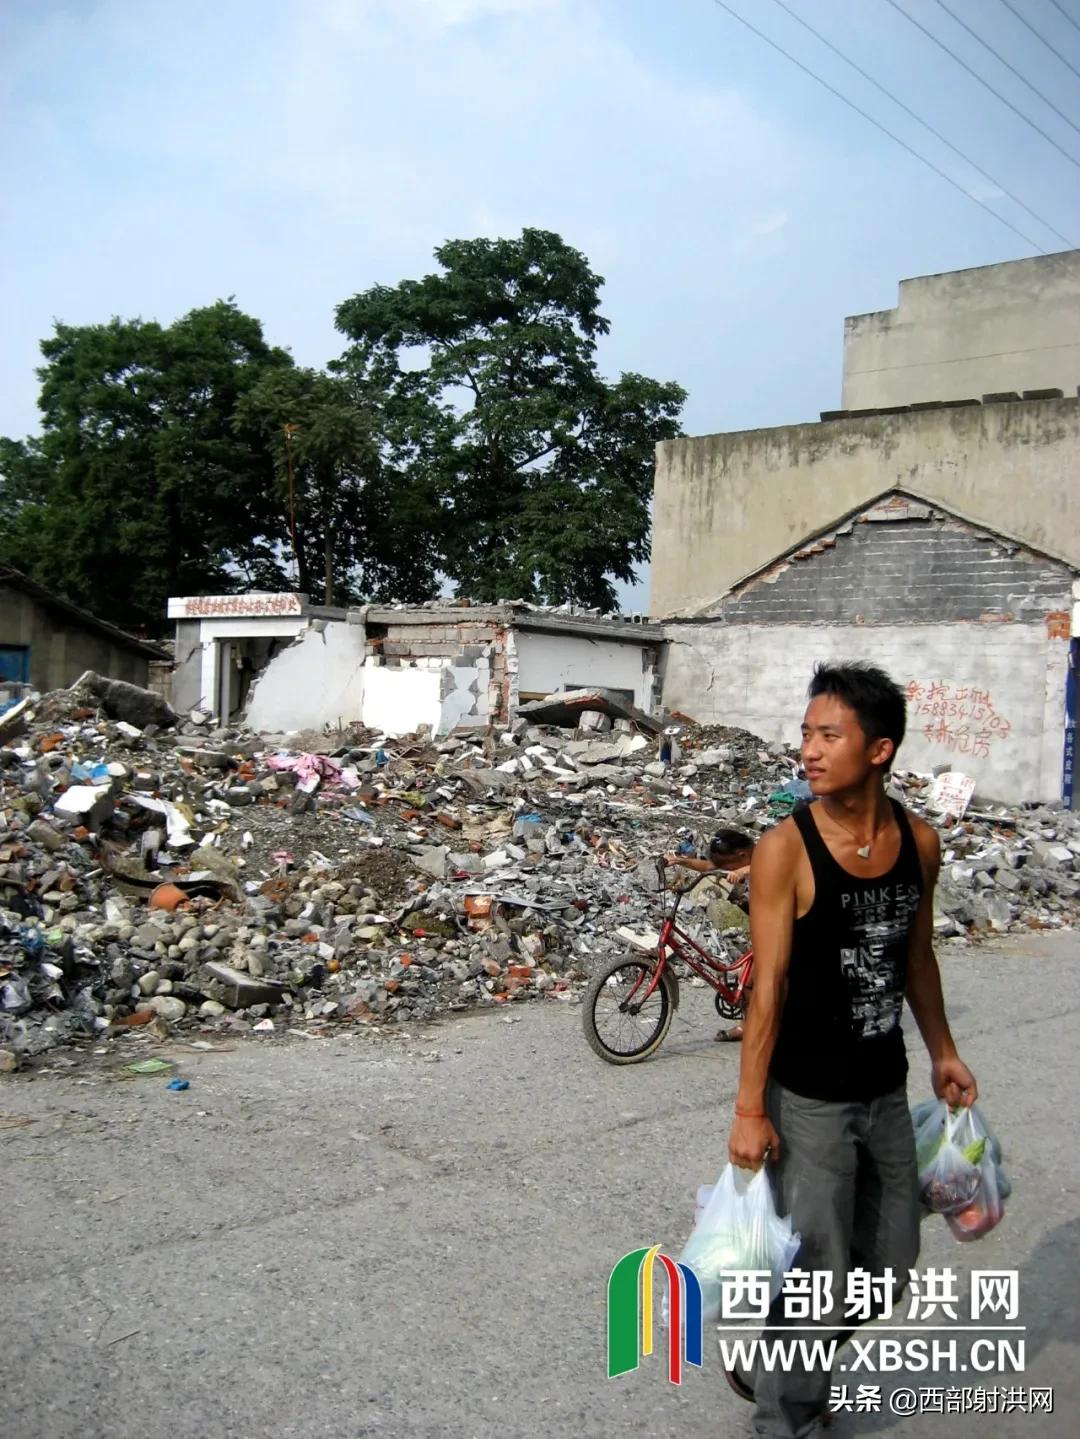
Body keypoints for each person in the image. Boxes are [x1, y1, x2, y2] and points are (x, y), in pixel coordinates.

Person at [725, 662, 977, 1438]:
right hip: (805, 1099)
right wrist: (747, 1109)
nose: (808, 749)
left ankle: (778, 1359)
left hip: (884, 1086)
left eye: (828, 734)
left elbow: (916, 957)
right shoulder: (784, 849)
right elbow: (767, 988)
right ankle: (786, 1418)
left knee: (891, 1265)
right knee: (819, 1271)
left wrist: (943, 1049)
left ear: (879, 748)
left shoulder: (919, 843)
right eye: (806, 733)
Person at [665, 830, 754, 1042]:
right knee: (746, 977)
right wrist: (680, 861)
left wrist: (743, 871)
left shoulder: (767, 855)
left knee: (751, 978)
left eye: (729, 865)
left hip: (781, 923)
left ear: (742, 855)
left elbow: (766, 865)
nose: (725, 870)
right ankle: (748, 1025)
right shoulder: (738, 862)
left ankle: (751, 1027)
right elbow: (708, 867)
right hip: (757, 919)